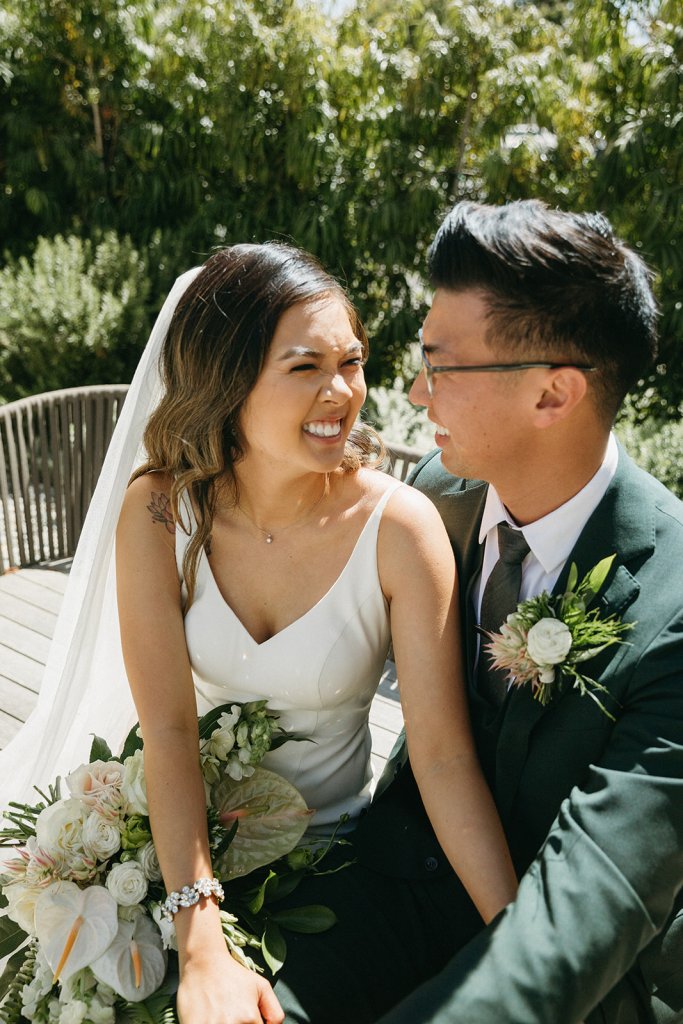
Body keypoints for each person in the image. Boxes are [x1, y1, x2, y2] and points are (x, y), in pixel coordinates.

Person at [8, 242, 516, 1023]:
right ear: (228, 379)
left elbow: (444, 760)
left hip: (332, 869)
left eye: (350, 362)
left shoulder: (399, 531)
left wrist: (522, 947)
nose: (340, 391)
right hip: (180, 850)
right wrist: (199, 941)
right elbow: (169, 732)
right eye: (304, 367)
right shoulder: (159, 510)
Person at [271, 201, 683, 1024]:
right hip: (390, 881)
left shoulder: (672, 604)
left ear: (552, 394)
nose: (415, 393)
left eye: (440, 367)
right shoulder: (437, 495)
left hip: (567, 962)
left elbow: (587, 906)